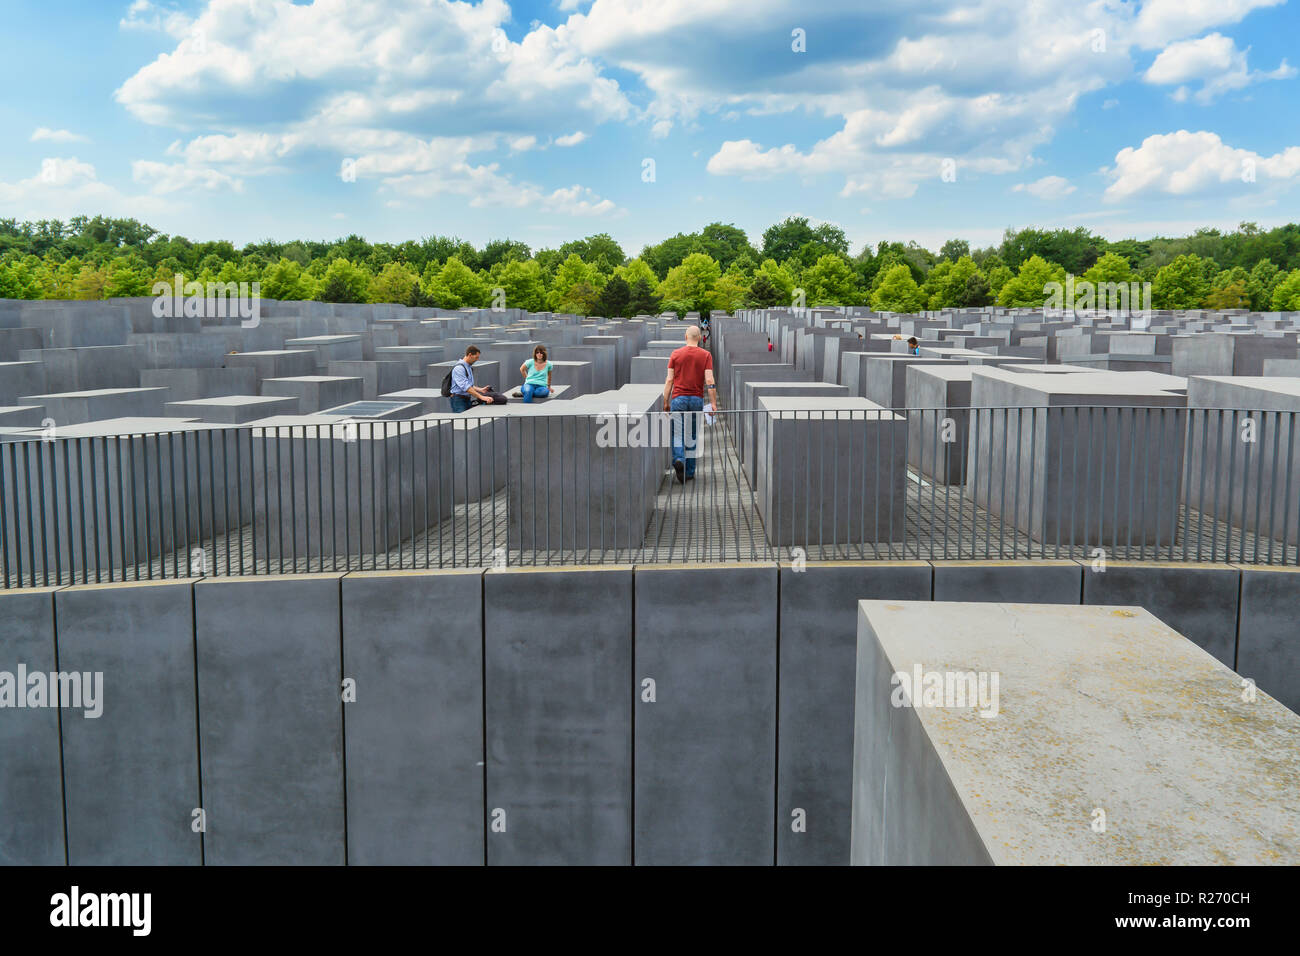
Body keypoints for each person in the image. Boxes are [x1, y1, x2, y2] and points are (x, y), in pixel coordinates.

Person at [662, 324, 718, 483]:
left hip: (678, 398)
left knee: (677, 433)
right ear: (700, 338)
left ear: (685, 337)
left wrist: (666, 401)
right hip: (696, 399)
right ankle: (690, 471)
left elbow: (669, 380)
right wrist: (713, 403)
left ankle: (679, 459)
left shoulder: (675, 354)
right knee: (693, 435)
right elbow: (709, 381)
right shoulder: (706, 355)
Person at [449, 345, 505, 413]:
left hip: (465, 398)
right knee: (461, 421)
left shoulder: (468, 367)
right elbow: (465, 387)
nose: (477, 359)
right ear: (470, 355)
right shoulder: (459, 368)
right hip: (458, 400)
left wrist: (480, 390)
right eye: (476, 357)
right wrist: (481, 397)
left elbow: (468, 385)